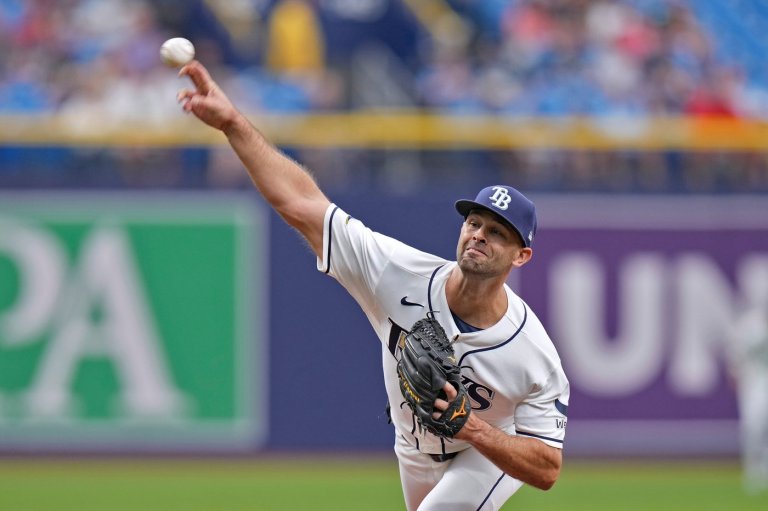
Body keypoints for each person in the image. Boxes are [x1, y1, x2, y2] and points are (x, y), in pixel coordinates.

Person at [176, 60, 570, 510]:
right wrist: (231, 123)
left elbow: (546, 468)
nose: (479, 234)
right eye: (475, 222)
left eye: (498, 232)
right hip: (414, 450)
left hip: (488, 450)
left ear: (522, 256)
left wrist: (472, 428)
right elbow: (302, 203)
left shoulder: (534, 355)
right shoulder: (397, 272)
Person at [728, 301, 768, 494]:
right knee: (753, 426)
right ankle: (752, 470)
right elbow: (737, 353)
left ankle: (765, 470)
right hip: (755, 380)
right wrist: (735, 372)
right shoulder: (751, 325)